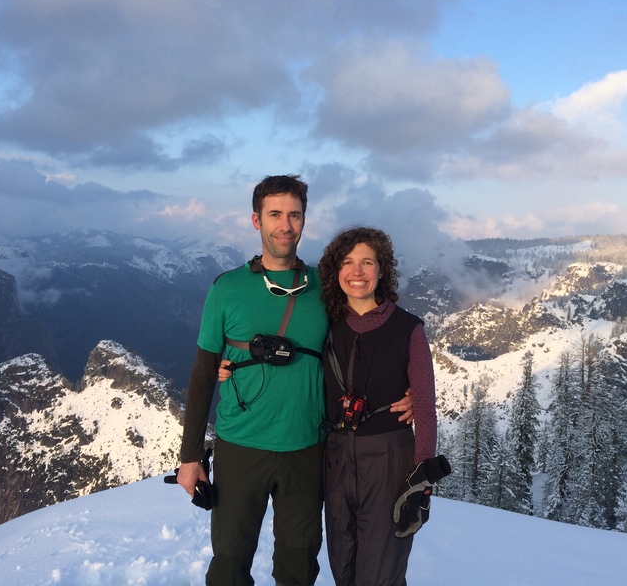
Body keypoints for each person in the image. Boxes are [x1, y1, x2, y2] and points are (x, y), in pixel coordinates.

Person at [177, 176, 412, 586]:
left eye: (294, 215)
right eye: (275, 214)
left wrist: (409, 390)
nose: (285, 225)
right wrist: (190, 456)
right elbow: (201, 375)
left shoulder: (327, 287)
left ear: (303, 220)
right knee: (230, 562)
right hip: (240, 446)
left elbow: (372, 334)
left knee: (299, 563)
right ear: (256, 220)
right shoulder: (227, 289)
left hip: (307, 448)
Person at [318, 226, 437, 586]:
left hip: (388, 461)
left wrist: (422, 477)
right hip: (336, 458)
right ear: (336, 271)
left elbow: (426, 407)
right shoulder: (324, 323)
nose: (357, 272)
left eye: (367, 262)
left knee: (380, 573)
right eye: (348, 262)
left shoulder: (408, 329)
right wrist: (229, 365)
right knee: (344, 567)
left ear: (381, 270)